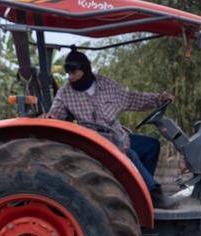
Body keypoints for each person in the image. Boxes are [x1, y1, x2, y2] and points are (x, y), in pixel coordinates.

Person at [41, 47, 180, 210]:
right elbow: (55, 113)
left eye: (74, 72)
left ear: (86, 69)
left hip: (118, 136)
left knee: (151, 145)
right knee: (131, 154)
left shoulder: (107, 85)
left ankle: (138, 191)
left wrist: (159, 99)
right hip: (94, 143)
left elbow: (132, 98)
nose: (70, 77)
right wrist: (50, 117)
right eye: (68, 73)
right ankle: (154, 194)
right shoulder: (65, 93)